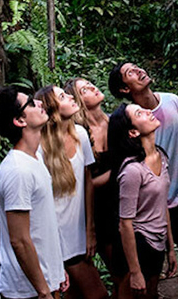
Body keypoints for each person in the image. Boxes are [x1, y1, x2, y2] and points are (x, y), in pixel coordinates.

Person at [108, 63, 178, 299]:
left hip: (176, 199)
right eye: (130, 73)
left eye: (137, 67)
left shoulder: (172, 102)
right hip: (145, 213)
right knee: (144, 281)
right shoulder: (129, 125)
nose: (139, 71)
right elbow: (125, 219)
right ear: (124, 89)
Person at [0, 86, 69, 299]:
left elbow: (42, 226)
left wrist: (57, 270)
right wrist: (43, 291)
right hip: (26, 291)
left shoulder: (35, 158)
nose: (40, 103)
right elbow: (19, 240)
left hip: (43, 283)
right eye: (31, 103)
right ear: (20, 120)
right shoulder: (18, 170)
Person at [35, 85, 108, 299]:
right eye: (62, 97)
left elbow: (87, 182)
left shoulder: (81, 135)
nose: (70, 97)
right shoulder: (40, 147)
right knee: (98, 294)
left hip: (77, 233)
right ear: (53, 109)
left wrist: (90, 229)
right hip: (53, 237)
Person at [108, 102, 178, 299]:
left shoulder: (161, 156)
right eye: (140, 113)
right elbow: (125, 224)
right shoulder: (132, 170)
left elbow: (163, 204)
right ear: (133, 132)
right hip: (137, 244)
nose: (148, 112)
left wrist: (170, 248)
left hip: (157, 242)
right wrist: (135, 271)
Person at [64, 78, 119, 281]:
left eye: (90, 84)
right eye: (85, 90)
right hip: (99, 211)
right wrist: (115, 174)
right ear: (78, 101)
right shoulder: (79, 134)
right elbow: (79, 183)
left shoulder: (117, 122)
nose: (93, 88)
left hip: (127, 204)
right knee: (120, 274)